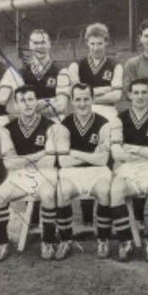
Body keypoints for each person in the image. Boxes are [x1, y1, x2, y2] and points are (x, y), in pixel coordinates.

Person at [0, 86, 64, 262]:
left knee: (47, 195)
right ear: (16, 105)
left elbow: (49, 160)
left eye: (31, 99)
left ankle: (47, 241)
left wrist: (21, 159)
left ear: (36, 101)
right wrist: (38, 156)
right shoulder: (7, 128)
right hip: (19, 175)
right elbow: (8, 162)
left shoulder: (51, 125)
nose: (27, 104)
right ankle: (2, 243)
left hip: (45, 173)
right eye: (22, 101)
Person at [110, 78, 148, 262]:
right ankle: (125, 242)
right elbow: (117, 152)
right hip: (127, 167)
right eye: (136, 92)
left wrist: (133, 149)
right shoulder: (120, 119)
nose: (140, 96)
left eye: (144, 92)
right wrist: (147, 152)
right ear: (129, 95)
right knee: (115, 191)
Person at [56, 83, 112, 260]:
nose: (82, 104)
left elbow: (103, 159)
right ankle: (65, 240)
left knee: (104, 192)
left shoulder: (104, 123)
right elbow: (63, 161)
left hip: (98, 171)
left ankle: (103, 239)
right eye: (78, 99)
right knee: (62, 192)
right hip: (72, 173)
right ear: (72, 101)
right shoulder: (64, 124)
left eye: (86, 99)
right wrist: (91, 155)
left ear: (92, 99)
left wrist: (75, 152)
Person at [68, 23, 123, 123]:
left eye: (99, 43)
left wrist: (86, 97)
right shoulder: (76, 65)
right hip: (84, 110)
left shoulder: (115, 66)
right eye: (92, 44)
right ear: (87, 42)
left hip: (107, 109)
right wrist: (105, 89)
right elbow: (75, 95)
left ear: (106, 42)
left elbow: (116, 96)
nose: (96, 48)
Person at [19, 29, 70, 122]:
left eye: (43, 42)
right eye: (35, 43)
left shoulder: (61, 70)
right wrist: (51, 100)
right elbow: (18, 107)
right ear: (30, 46)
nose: (39, 46)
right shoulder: (22, 73)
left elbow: (61, 106)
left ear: (49, 44)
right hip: (30, 122)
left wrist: (32, 109)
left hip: (54, 120)